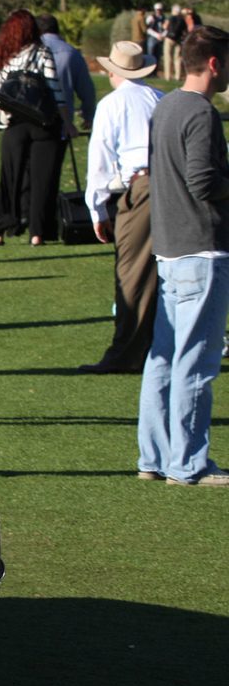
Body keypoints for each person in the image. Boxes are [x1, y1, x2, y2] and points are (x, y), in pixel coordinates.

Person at [136, 25, 229, 487]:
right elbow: (203, 181)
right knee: (196, 360)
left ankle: (153, 457)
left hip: (171, 248)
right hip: (200, 249)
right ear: (214, 63)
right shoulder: (201, 112)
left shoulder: (167, 104)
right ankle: (188, 464)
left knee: (165, 358)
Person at [79, 41, 162, 375]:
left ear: (113, 71)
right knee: (164, 270)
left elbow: (99, 159)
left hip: (142, 187)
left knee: (132, 274)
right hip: (170, 184)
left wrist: (96, 210)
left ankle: (125, 354)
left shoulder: (112, 104)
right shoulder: (159, 98)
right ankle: (156, 345)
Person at [0, 9, 73, 246]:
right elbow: (55, 89)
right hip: (43, 122)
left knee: (9, 176)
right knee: (43, 179)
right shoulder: (42, 52)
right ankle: (37, 232)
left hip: (15, 123)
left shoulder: (4, 56)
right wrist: (67, 122)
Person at [37, 14, 97, 131]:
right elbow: (87, 90)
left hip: (29, 117)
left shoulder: (28, 50)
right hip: (61, 121)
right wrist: (88, 116)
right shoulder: (71, 53)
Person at [144, 2, 166, 68]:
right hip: (152, 38)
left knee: (158, 56)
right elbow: (148, 29)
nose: (159, 11)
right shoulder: (150, 18)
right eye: (157, 10)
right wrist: (157, 35)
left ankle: (156, 70)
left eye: (160, 10)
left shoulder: (164, 18)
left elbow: (166, 28)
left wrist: (162, 35)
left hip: (160, 38)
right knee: (150, 55)